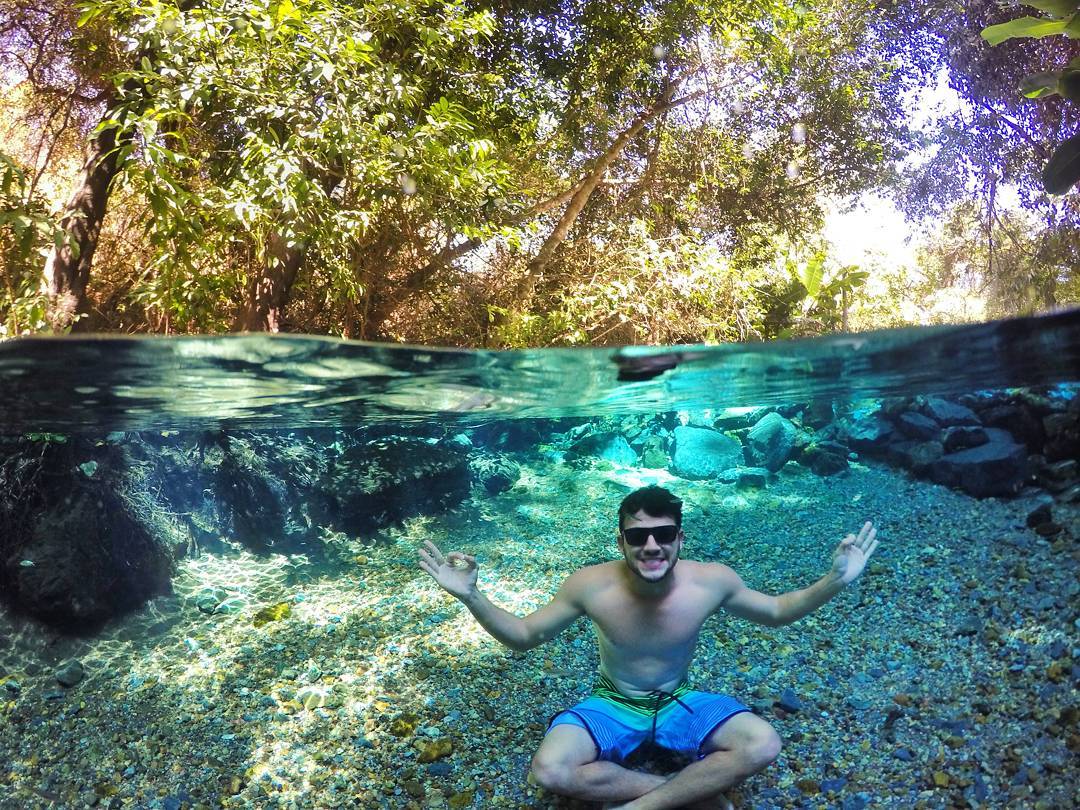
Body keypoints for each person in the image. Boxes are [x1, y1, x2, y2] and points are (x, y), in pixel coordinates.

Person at [418, 485, 879, 810]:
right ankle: (689, 794)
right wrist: (471, 596)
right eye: (637, 536)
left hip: (679, 699)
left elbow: (778, 612)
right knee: (550, 770)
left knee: (762, 743)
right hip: (613, 701)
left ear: (681, 538)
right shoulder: (589, 585)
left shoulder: (711, 581)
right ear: (621, 541)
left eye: (663, 534)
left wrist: (835, 579)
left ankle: (644, 804)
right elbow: (524, 636)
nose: (651, 546)